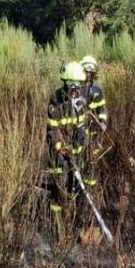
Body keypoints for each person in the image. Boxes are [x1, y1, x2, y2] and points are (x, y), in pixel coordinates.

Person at [46, 61, 89, 213]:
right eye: (71, 84)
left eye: (78, 85)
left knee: (74, 182)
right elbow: (52, 130)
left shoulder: (80, 103)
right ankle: (56, 217)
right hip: (58, 153)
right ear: (64, 82)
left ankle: (71, 213)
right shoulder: (55, 101)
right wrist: (61, 148)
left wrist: (76, 149)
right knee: (59, 184)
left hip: (74, 152)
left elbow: (81, 130)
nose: (74, 89)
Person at [79, 55, 108, 189]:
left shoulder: (97, 88)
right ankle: (77, 186)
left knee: (91, 159)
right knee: (78, 157)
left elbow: (101, 108)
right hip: (77, 128)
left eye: (90, 72)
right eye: (86, 71)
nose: (88, 75)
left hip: (92, 129)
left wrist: (103, 122)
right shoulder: (76, 86)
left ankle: (90, 188)